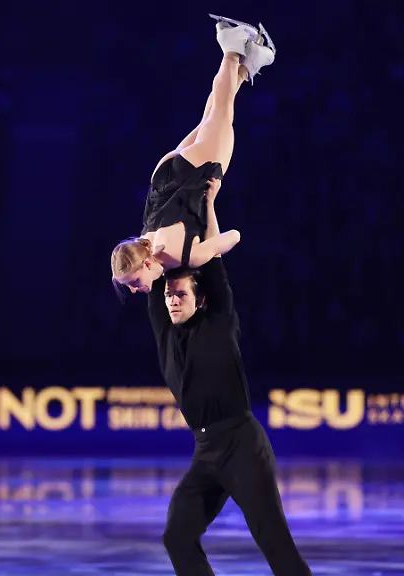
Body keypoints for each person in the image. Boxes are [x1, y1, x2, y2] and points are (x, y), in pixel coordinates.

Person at [150, 182, 311, 575]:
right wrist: (153, 223)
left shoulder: (219, 320)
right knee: (177, 535)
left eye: (180, 294)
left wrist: (208, 204)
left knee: (274, 541)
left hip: (241, 444)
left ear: (199, 298)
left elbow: (214, 258)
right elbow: (151, 269)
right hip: (206, 451)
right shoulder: (165, 331)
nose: (172, 299)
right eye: (169, 294)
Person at [111, 18, 275, 295]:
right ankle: (251, 61)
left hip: (196, 173)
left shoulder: (186, 257)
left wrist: (209, 218)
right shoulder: (144, 242)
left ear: (148, 266)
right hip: (163, 174)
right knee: (214, 113)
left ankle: (232, 45)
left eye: (134, 283)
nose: (136, 290)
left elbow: (233, 237)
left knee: (223, 109)